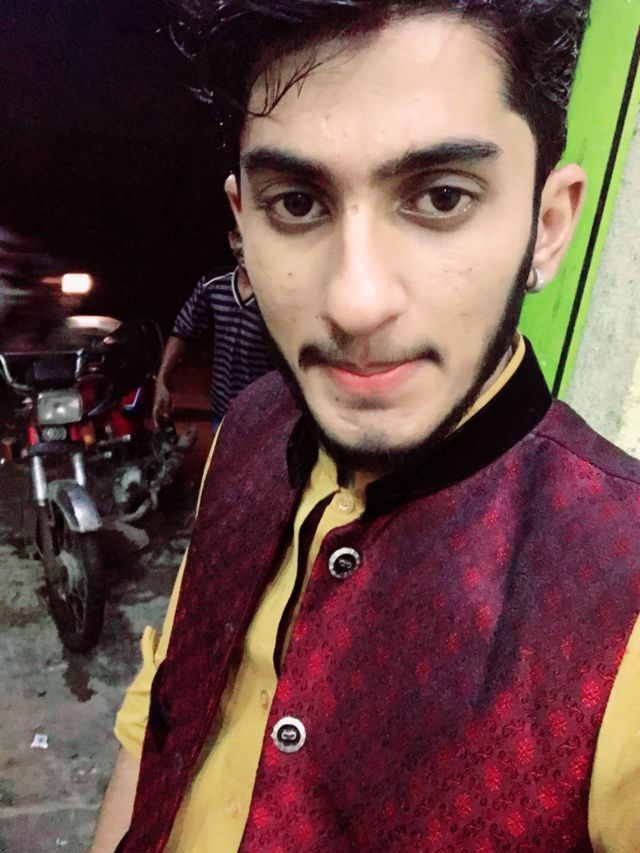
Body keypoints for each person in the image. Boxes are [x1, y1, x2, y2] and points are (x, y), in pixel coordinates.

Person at [91, 2, 640, 851]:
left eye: (441, 196)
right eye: (296, 203)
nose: (354, 301)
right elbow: (160, 711)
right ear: (242, 225)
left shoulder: (621, 591)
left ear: (548, 225)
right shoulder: (247, 430)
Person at [152, 229, 274, 431]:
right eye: (240, 238)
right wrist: (161, 382)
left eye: (254, 237)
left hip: (263, 418)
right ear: (231, 239)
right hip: (221, 413)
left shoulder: (280, 296)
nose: (246, 248)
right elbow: (182, 330)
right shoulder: (214, 284)